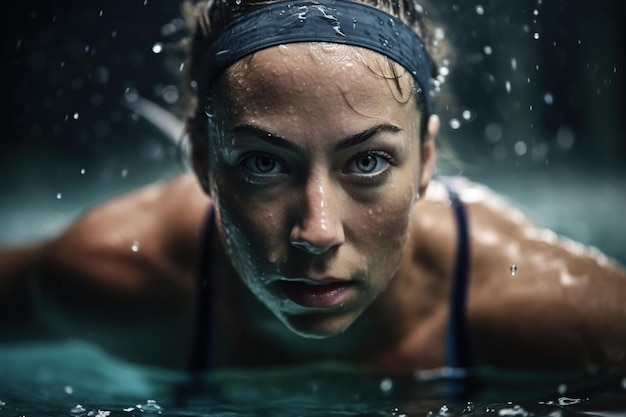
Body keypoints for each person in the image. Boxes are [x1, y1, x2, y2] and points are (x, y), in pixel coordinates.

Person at [1, 0, 625, 374]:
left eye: (369, 163)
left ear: (427, 158)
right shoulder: (116, 276)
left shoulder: (554, 313)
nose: (317, 232)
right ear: (200, 160)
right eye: (264, 165)